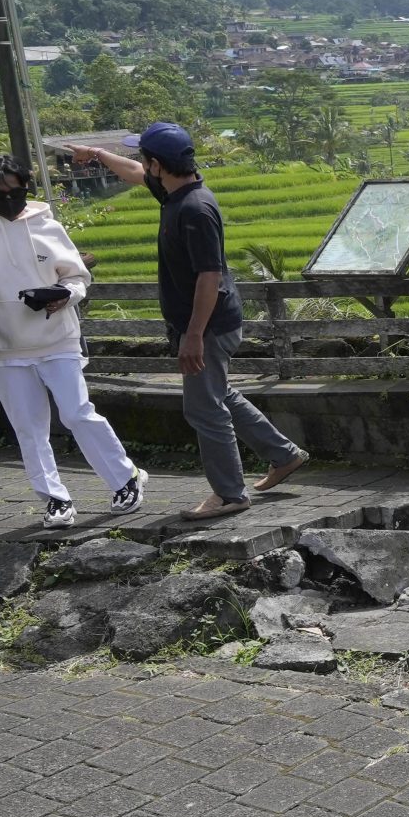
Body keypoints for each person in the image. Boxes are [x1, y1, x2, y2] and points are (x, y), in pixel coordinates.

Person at [69, 123, 307, 520]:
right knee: (218, 394)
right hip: (209, 323)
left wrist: (193, 335)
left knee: (203, 410)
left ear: (159, 164)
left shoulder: (194, 209)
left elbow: (208, 276)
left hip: (208, 326)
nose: (141, 167)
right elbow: (132, 173)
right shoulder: (175, 190)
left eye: (145, 160)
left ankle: (230, 494)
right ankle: (284, 455)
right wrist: (95, 153)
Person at [0, 154, 147, 529]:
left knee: (77, 412)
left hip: (57, 337)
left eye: (18, 189)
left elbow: (77, 277)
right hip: (4, 346)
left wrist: (66, 295)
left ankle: (126, 478)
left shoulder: (47, 225)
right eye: (2, 191)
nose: (12, 197)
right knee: (28, 426)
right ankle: (55, 498)